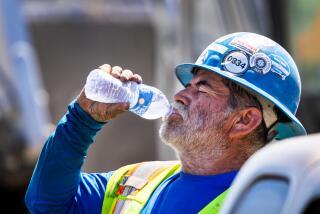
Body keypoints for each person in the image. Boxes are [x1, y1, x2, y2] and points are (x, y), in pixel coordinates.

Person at [25, 32, 306, 214]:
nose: (181, 95)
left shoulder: (266, 204)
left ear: (244, 120)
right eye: (189, 84)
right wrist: (82, 119)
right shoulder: (137, 181)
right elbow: (46, 204)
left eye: (203, 88)